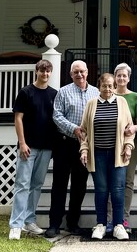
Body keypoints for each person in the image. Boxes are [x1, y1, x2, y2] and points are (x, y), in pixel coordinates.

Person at [46, 60, 99, 238]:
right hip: (65, 142)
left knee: (79, 185)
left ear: (87, 72)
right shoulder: (63, 91)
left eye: (82, 71)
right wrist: (74, 129)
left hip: (84, 145)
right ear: (71, 75)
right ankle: (54, 224)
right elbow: (57, 115)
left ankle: (73, 223)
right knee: (59, 184)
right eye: (75, 72)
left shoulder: (95, 92)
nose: (79, 75)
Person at [79, 73, 134, 240]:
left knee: (118, 191)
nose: (108, 89)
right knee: (101, 191)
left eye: (111, 86)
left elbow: (129, 129)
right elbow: (84, 131)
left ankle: (118, 225)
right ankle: (101, 225)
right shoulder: (91, 104)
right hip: (98, 155)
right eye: (105, 86)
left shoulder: (122, 102)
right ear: (99, 87)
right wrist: (84, 150)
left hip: (118, 154)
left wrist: (129, 146)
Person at [8, 60, 57, 240]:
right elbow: (18, 118)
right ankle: (16, 224)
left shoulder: (54, 94)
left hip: (46, 147)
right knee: (22, 184)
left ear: (51, 73)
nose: (45, 74)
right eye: (42, 71)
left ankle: (29, 220)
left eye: (48, 71)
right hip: (28, 147)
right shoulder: (26, 92)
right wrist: (22, 143)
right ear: (36, 71)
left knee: (36, 185)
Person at [111, 63, 137, 231]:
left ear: (129, 78)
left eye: (125, 76)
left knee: (127, 181)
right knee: (112, 181)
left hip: (132, 143)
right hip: (110, 143)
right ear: (115, 77)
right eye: (119, 75)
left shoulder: (135, 97)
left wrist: (135, 128)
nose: (121, 78)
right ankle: (111, 219)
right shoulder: (109, 94)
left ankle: (124, 219)